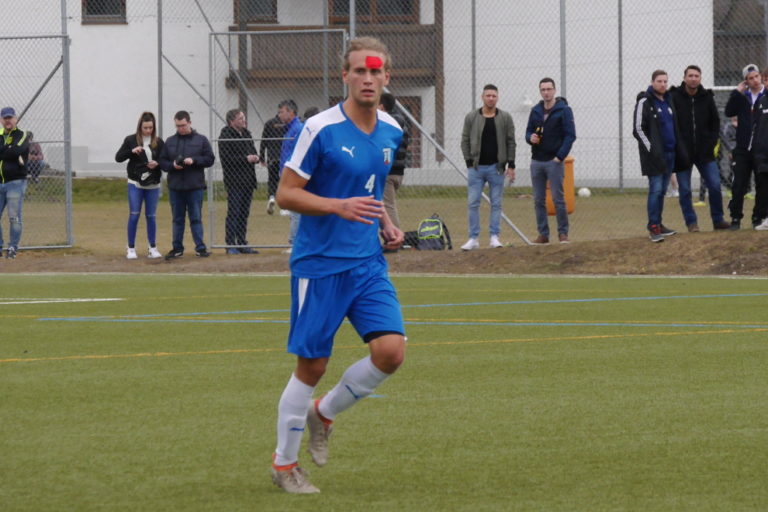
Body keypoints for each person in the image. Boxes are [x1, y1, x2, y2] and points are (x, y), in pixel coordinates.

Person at [270, 36, 405, 494]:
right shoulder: (319, 129)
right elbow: (285, 194)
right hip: (320, 265)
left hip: (367, 263)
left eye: (376, 71)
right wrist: (337, 206)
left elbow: (370, 186)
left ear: (387, 77)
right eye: (359, 71)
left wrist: (385, 222)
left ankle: (323, 414)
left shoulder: (391, 130)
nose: (368, 78)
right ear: (345, 75)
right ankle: (284, 466)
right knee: (312, 367)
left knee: (391, 352)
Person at [670, 65, 731, 231]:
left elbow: (715, 122)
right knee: (685, 190)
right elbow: (671, 123)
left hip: (705, 153)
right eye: (690, 76)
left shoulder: (707, 97)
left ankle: (718, 220)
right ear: (684, 78)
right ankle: (691, 223)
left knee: (714, 185)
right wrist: (677, 145)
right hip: (683, 153)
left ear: (700, 78)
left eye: (696, 76)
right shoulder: (674, 97)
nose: (693, 79)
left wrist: (710, 143)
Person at [633, 70, 691, 242]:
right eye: (659, 81)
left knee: (662, 191)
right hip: (655, 156)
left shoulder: (668, 101)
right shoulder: (644, 101)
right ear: (652, 82)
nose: (663, 84)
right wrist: (652, 149)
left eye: (665, 81)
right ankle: (653, 227)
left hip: (670, 154)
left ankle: (658, 223)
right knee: (656, 189)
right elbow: (638, 129)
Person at [460, 84, 516, 250]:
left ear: (497, 97)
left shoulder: (505, 118)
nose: (491, 98)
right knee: (473, 203)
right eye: (488, 95)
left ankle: (494, 237)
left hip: (496, 168)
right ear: (482, 97)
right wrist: (469, 162)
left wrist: (511, 164)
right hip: (476, 168)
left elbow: (511, 142)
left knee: (496, 203)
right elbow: (465, 140)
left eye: (494, 96)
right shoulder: (471, 117)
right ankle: (473, 238)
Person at [524, 77, 576, 244]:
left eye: (549, 89)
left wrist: (559, 157)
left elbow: (570, 135)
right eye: (543, 90)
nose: (546, 92)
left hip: (554, 161)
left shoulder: (564, 110)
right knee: (538, 199)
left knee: (558, 198)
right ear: (540, 91)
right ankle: (543, 234)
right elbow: (528, 132)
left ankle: (563, 233)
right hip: (537, 161)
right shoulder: (535, 111)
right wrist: (530, 138)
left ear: (554, 90)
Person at [159, 110, 215, 259]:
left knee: (195, 218)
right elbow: (162, 162)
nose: (181, 128)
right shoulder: (170, 141)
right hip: (176, 187)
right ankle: (177, 248)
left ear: (189, 123)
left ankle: (200, 248)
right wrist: (172, 165)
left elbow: (210, 159)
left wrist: (194, 160)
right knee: (177, 219)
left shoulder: (201, 140)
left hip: (195, 187)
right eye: (178, 126)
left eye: (183, 125)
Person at [115, 111, 165, 259]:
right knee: (134, 214)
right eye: (145, 128)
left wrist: (157, 163)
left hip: (153, 184)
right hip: (135, 184)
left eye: (151, 128)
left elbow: (165, 160)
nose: (148, 130)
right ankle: (131, 248)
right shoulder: (131, 139)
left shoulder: (159, 142)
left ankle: (152, 247)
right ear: (140, 127)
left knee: (151, 216)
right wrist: (132, 151)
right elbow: (118, 157)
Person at [724, 64, 768, 230]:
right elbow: (729, 111)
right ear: (746, 81)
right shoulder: (742, 97)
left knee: (762, 184)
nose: (755, 80)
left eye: (757, 76)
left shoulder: (766, 95)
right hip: (743, 148)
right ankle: (736, 217)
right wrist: (737, 92)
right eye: (750, 78)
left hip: (761, 149)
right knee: (739, 184)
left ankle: (758, 216)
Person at [218, 109, 260, 254]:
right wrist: (245, 159)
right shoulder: (225, 136)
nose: (244, 120)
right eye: (240, 118)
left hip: (248, 180)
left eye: (243, 117)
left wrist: (256, 157)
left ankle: (242, 243)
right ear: (232, 121)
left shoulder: (247, 134)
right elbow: (226, 159)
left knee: (244, 213)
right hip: (235, 181)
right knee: (234, 213)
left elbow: (253, 151)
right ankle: (230, 244)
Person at [0, 107, 30, 259]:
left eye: (10, 118)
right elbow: (10, 152)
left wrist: (5, 150)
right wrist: (8, 149)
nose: (8, 121)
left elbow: (16, 151)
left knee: (14, 217)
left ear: (15, 119)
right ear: (1, 120)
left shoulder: (22, 134)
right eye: (5, 118)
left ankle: (12, 247)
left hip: (15, 182)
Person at [378, 92, 410, 233]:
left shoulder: (387, 124)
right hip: (398, 171)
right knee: (384, 205)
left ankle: (394, 237)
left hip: (389, 171)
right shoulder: (400, 122)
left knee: (387, 207)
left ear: (381, 107)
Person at [277, 99, 302, 252]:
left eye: (281, 112)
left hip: (294, 174)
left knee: (296, 209)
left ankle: (295, 242)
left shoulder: (297, 129)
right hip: (287, 172)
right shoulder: (289, 130)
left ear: (291, 112)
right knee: (293, 210)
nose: (279, 115)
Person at [259, 111, 285, 215]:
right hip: (284, 156)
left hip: (272, 157)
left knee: (272, 179)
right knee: (284, 180)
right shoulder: (287, 124)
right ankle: (284, 205)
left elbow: (263, 141)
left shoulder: (269, 123)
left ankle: (272, 197)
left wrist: (262, 157)